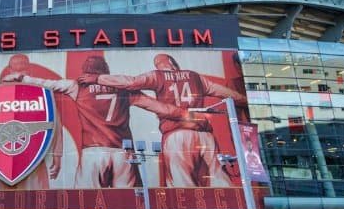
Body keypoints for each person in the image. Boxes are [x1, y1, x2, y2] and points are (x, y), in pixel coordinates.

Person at [4, 54, 188, 188]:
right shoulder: (125, 90)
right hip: (123, 153)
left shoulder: (76, 86)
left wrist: (22, 77)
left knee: (86, 205)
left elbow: (47, 83)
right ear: (106, 71)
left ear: (86, 71)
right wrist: (187, 115)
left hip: (92, 153)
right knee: (128, 204)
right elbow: (161, 108)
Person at [80, 53, 245, 188]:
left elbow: (131, 83)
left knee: (181, 183)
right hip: (204, 134)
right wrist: (250, 101)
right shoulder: (195, 77)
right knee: (218, 177)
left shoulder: (157, 76)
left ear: (159, 65)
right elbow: (228, 94)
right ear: (173, 63)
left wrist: (98, 79)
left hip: (176, 133)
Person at [0, 54, 63, 190]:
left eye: (23, 67)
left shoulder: (40, 93)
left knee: (36, 202)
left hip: (33, 158)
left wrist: (57, 155)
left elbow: (54, 122)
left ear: (30, 70)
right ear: (9, 71)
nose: (20, 71)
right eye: (17, 67)